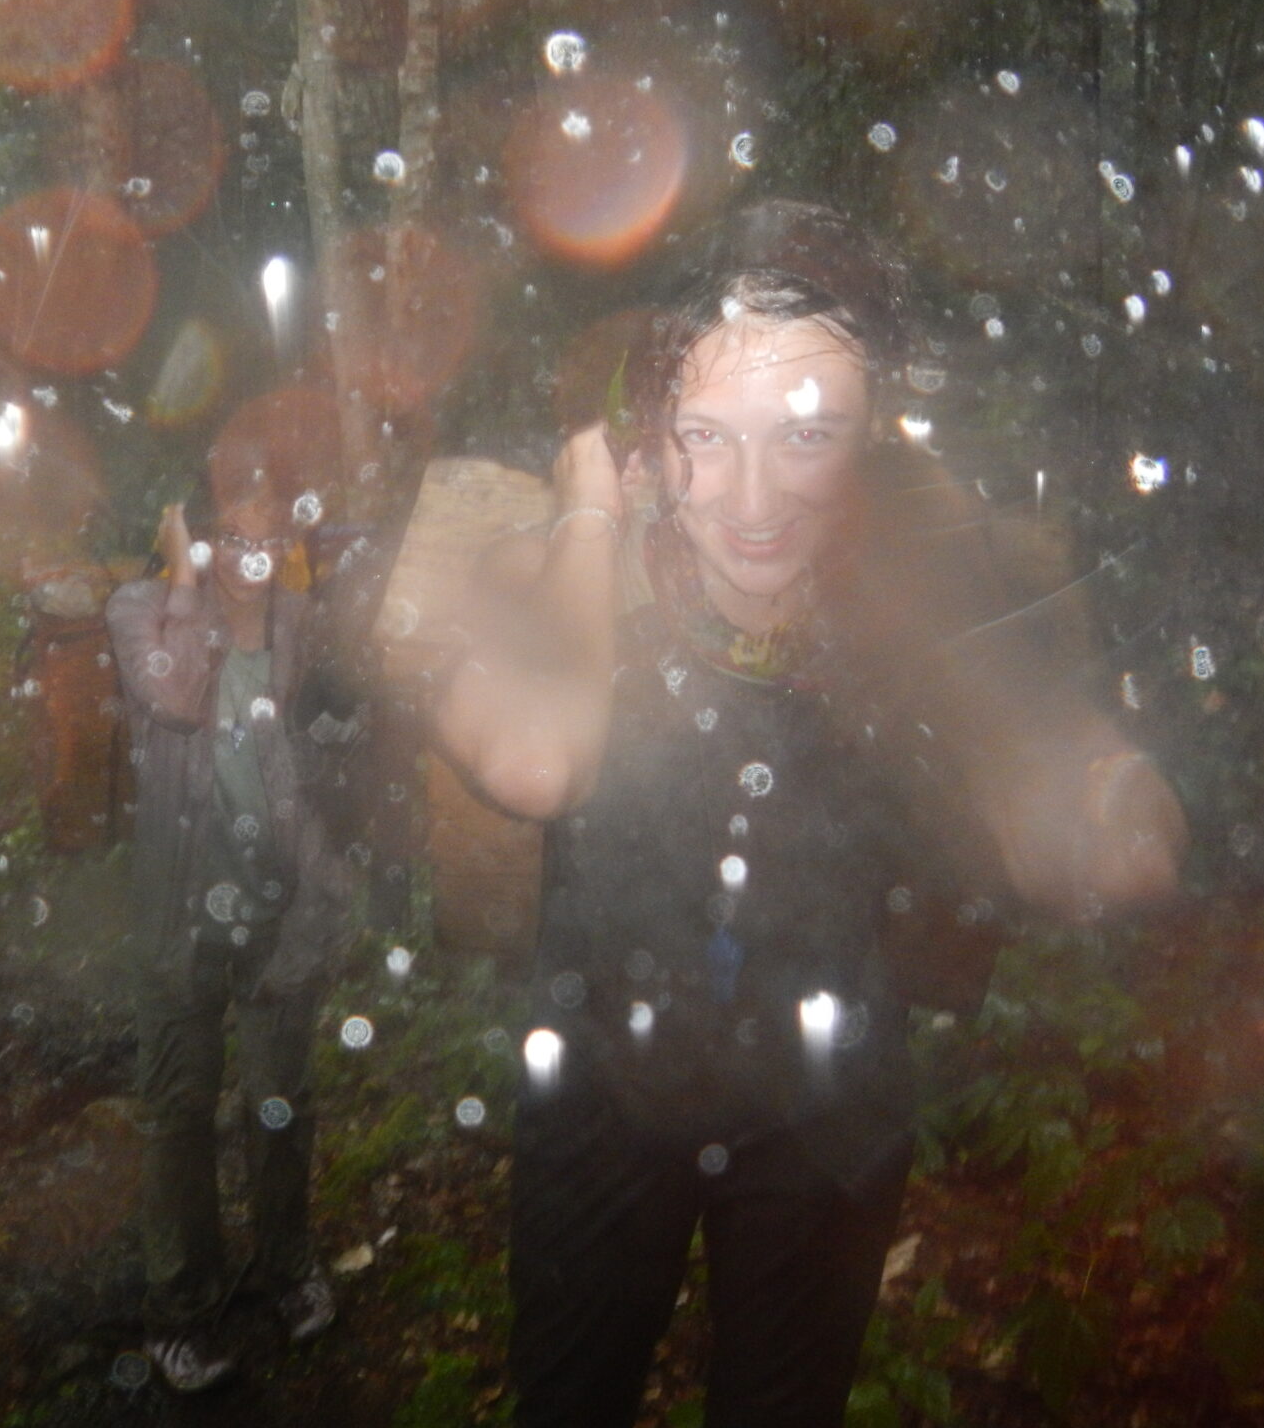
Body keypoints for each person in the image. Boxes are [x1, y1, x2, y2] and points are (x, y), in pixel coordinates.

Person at [433, 200, 1186, 1427]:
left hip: (827, 1109)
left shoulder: (896, 590)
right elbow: (535, 760)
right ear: (645, 435)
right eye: (706, 435)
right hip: (606, 1097)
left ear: (867, 438)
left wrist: (1108, 799)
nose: (754, 500)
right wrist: (588, 506)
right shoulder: (562, 569)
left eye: (805, 436)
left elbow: (1043, 751)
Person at [105, 466, 352, 1393]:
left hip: (280, 912)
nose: (254, 559)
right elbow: (174, 697)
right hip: (181, 916)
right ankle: (181, 1311)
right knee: (178, 1118)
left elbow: (325, 744)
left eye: (271, 539)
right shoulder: (140, 609)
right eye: (234, 539)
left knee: (281, 1105)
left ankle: (286, 1268)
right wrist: (180, 576)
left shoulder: (297, 619)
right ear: (204, 535)